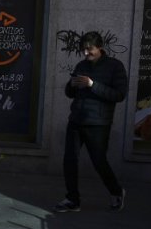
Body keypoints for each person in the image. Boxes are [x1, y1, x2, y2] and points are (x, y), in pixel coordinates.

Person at [54, 31, 128, 213]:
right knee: (69, 160)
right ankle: (72, 199)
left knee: (99, 161)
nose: (86, 53)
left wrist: (92, 85)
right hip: (76, 120)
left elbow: (119, 95)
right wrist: (71, 85)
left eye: (90, 49)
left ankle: (116, 191)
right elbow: (69, 93)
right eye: (84, 50)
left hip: (99, 123)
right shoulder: (81, 65)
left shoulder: (115, 67)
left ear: (100, 47)